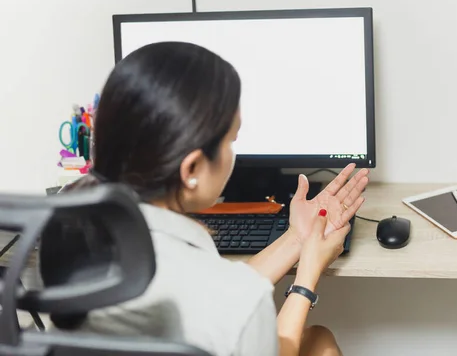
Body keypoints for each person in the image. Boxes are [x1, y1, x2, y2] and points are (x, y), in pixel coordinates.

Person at [52, 42, 369, 356]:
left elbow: (218, 295)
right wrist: (307, 275)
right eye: (231, 140)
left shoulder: (75, 234)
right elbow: (239, 308)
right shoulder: (225, 291)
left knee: (316, 339)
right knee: (322, 344)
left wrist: (299, 238)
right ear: (191, 168)